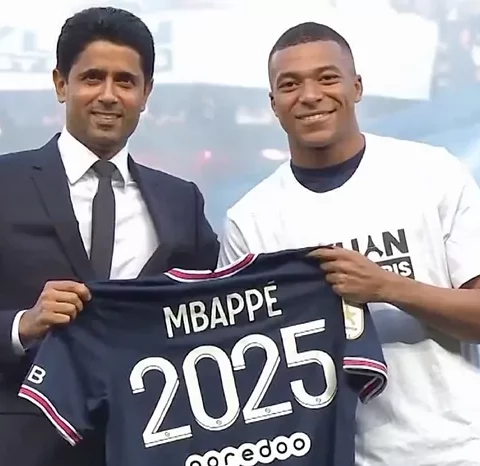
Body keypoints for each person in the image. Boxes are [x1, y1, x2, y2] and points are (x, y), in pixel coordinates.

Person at [218, 22, 480, 466]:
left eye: (327, 78)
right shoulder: (250, 219)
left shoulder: (431, 172)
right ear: (273, 103)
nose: (310, 95)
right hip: (336, 456)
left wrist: (385, 286)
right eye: (290, 85)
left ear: (356, 87)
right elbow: (248, 368)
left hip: (455, 450)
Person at [0, 7, 218, 466]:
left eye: (125, 81)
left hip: (151, 447)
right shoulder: (5, 184)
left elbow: (210, 322)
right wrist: (22, 325)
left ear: (146, 93)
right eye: (92, 78)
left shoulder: (182, 202)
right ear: (61, 84)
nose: (108, 95)